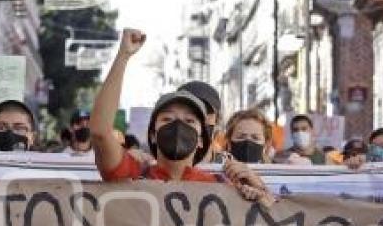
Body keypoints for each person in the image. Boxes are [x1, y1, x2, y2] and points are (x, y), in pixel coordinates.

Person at [91, 29, 272, 204]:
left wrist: (259, 189)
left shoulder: (221, 186)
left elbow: (275, 219)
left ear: (202, 139)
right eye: (167, 119)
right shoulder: (131, 174)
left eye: (189, 121)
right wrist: (123, 56)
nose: (178, 126)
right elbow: (100, 132)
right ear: (153, 134)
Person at [178, 80, 221, 160]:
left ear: (217, 120)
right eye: (190, 111)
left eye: (206, 111)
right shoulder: (153, 164)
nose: (199, 117)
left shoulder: (229, 168)